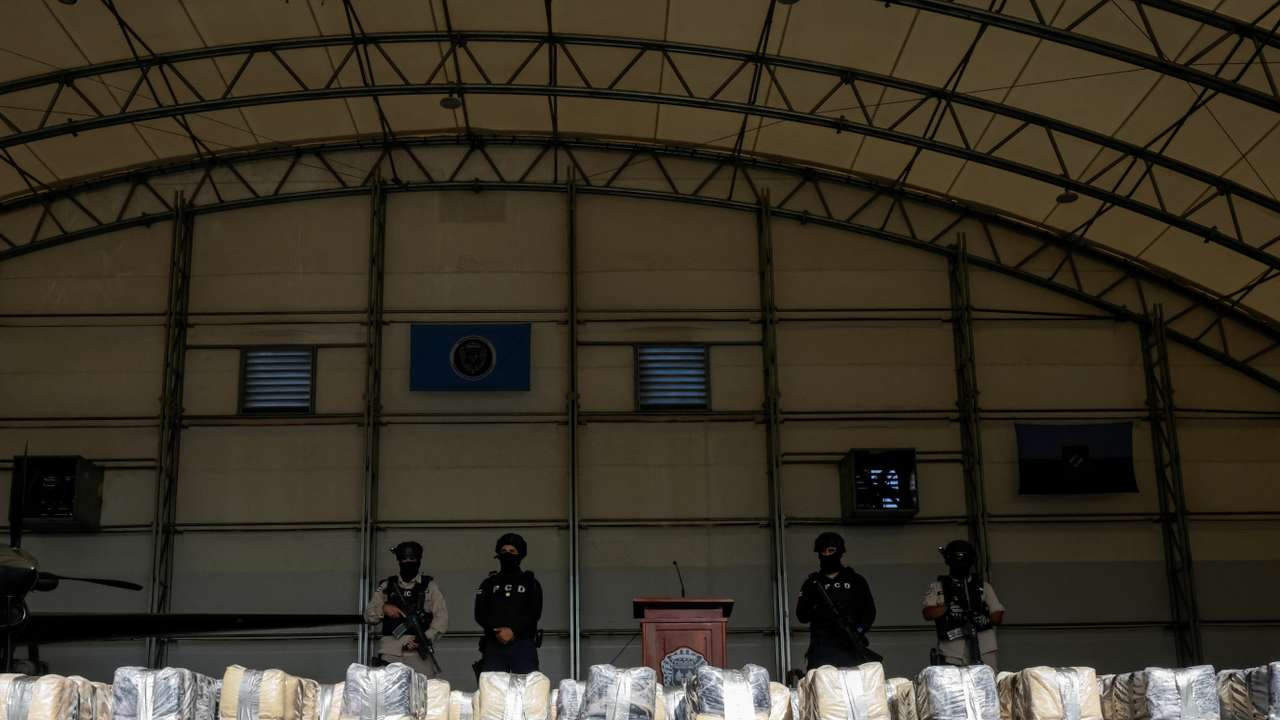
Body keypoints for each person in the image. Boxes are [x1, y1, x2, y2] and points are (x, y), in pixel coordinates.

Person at [363, 541, 448, 677]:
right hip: (391, 653)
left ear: (419, 560)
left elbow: (441, 619)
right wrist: (384, 608)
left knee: (425, 693)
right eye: (404, 559)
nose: (408, 562)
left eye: (412, 559)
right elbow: (368, 615)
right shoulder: (387, 586)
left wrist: (424, 639)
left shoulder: (429, 586)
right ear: (398, 560)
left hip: (419, 653)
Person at [795, 531, 878, 669]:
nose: (827, 555)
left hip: (850, 647)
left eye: (831, 550)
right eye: (823, 551)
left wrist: (857, 631)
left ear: (840, 552)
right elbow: (801, 615)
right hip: (822, 649)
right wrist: (818, 609)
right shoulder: (813, 583)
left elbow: (869, 612)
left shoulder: (856, 580)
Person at [921, 538, 1005, 668]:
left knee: (986, 685)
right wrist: (947, 608)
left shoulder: (983, 586)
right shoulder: (938, 587)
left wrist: (983, 617)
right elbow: (927, 613)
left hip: (983, 648)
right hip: (952, 651)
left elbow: (998, 615)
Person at [474, 532, 543, 673]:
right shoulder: (489, 583)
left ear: (520, 555)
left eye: (512, 551)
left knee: (526, 690)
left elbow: (534, 613)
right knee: (493, 690)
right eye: (504, 551)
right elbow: (480, 613)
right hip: (494, 645)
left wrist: (513, 631)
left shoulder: (530, 583)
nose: (507, 554)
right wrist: (498, 631)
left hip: (523, 645)